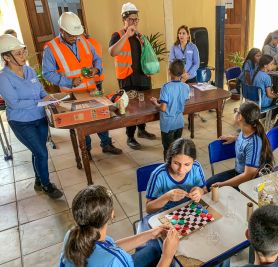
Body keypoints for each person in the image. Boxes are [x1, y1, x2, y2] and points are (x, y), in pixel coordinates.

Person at [42, 12, 122, 159]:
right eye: (71, 35)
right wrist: (69, 81)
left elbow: (97, 58)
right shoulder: (51, 48)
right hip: (71, 94)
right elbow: (47, 73)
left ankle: (106, 144)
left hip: (92, 90)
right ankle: (87, 151)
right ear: (61, 31)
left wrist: (96, 69)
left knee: (101, 118)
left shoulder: (84, 40)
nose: (75, 37)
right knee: (81, 123)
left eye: (76, 34)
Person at [0, 34, 63, 199]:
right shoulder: (3, 78)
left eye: (23, 51)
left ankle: (38, 180)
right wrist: (38, 101)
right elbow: (14, 103)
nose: (23, 56)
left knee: (38, 151)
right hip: (21, 122)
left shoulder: (29, 70)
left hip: (39, 118)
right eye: (18, 53)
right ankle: (47, 185)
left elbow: (41, 91)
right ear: (6, 57)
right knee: (41, 153)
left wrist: (48, 97)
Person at [59, 185, 179, 267]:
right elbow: (113, 255)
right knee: (161, 254)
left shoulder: (72, 234)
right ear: (112, 214)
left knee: (153, 250)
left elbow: (111, 247)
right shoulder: (114, 260)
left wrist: (151, 233)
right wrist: (167, 256)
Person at [109, 2, 156, 150]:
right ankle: (130, 136)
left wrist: (150, 70)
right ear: (124, 19)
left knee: (143, 106)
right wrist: (126, 35)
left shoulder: (140, 36)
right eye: (131, 19)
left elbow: (147, 56)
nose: (134, 22)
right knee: (130, 108)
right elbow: (112, 52)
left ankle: (142, 130)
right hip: (127, 78)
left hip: (142, 77)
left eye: (136, 20)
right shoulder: (117, 35)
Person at [206, 102, 274, 190]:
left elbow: (248, 176)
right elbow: (245, 140)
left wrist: (222, 184)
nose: (234, 112)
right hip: (239, 173)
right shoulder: (246, 130)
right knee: (207, 184)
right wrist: (236, 138)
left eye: (236, 111)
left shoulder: (254, 143)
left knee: (212, 188)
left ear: (240, 117)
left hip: (247, 183)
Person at [146, 138, 206, 214]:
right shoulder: (158, 175)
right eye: (176, 163)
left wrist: (200, 191)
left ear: (193, 161)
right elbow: (149, 209)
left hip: (190, 209)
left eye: (187, 164)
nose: (181, 170)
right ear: (170, 159)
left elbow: (205, 190)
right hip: (166, 213)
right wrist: (166, 197)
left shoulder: (196, 167)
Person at [150, 60, 190, 160]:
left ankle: (167, 168)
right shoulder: (186, 87)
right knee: (177, 148)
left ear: (169, 71)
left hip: (168, 124)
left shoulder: (166, 87)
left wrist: (155, 103)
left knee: (168, 149)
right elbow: (181, 99)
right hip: (179, 122)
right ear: (183, 72)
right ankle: (175, 165)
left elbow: (163, 108)